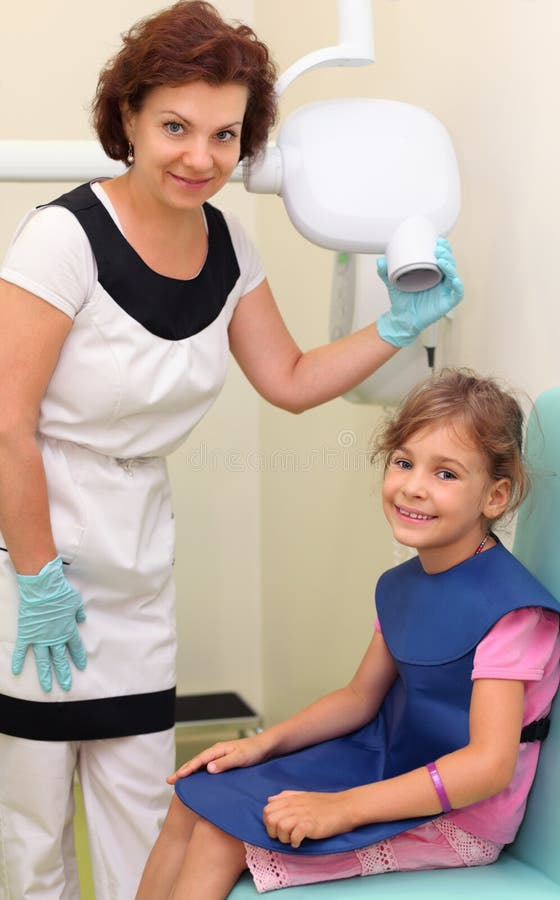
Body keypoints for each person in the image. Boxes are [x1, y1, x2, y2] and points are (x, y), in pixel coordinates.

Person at [0, 2, 465, 898]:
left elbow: (286, 377)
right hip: (35, 543)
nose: (200, 157)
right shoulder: (64, 238)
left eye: (224, 134)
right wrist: (36, 576)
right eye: (175, 126)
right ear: (127, 117)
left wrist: (400, 325)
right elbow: (7, 423)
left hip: (136, 551)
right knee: (33, 824)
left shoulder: (227, 241)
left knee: (146, 804)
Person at [136, 368, 560, 899]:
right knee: (192, 796)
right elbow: (358, 697)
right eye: (404, 462)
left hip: (461, 817)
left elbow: (486, 766)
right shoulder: (401, 585)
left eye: (447, 474)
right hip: (385, 760)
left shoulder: (514, 614)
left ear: (495, 496)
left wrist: (341, 808)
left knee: (219, 839)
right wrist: (263, 745)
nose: (414, 485)